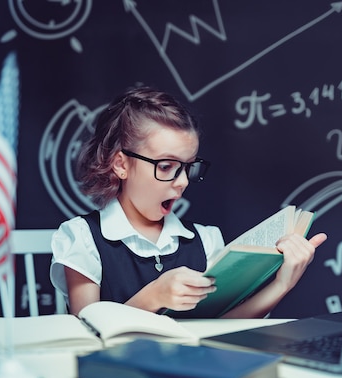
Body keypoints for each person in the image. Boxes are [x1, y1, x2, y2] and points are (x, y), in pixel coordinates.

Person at [50, 85, 327, 318]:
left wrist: (282, 284)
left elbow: (223, 325)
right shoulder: (83, 238)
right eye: (167, 166)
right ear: (121, 165)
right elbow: (87, 334)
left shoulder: (205, 241)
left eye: (188, 167)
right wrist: (153, 296)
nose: (182, 181)